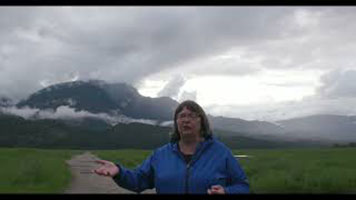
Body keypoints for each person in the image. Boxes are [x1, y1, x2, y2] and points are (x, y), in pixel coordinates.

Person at [93, 100, 249, 194]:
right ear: (176, 123)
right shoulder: (160, 155)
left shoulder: (221, 153)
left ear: (202, 122)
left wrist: (226, 191)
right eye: (181, 116)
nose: (186, 120)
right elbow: (139, 180)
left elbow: (242, 186)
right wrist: (119, 172)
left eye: (192, 116)